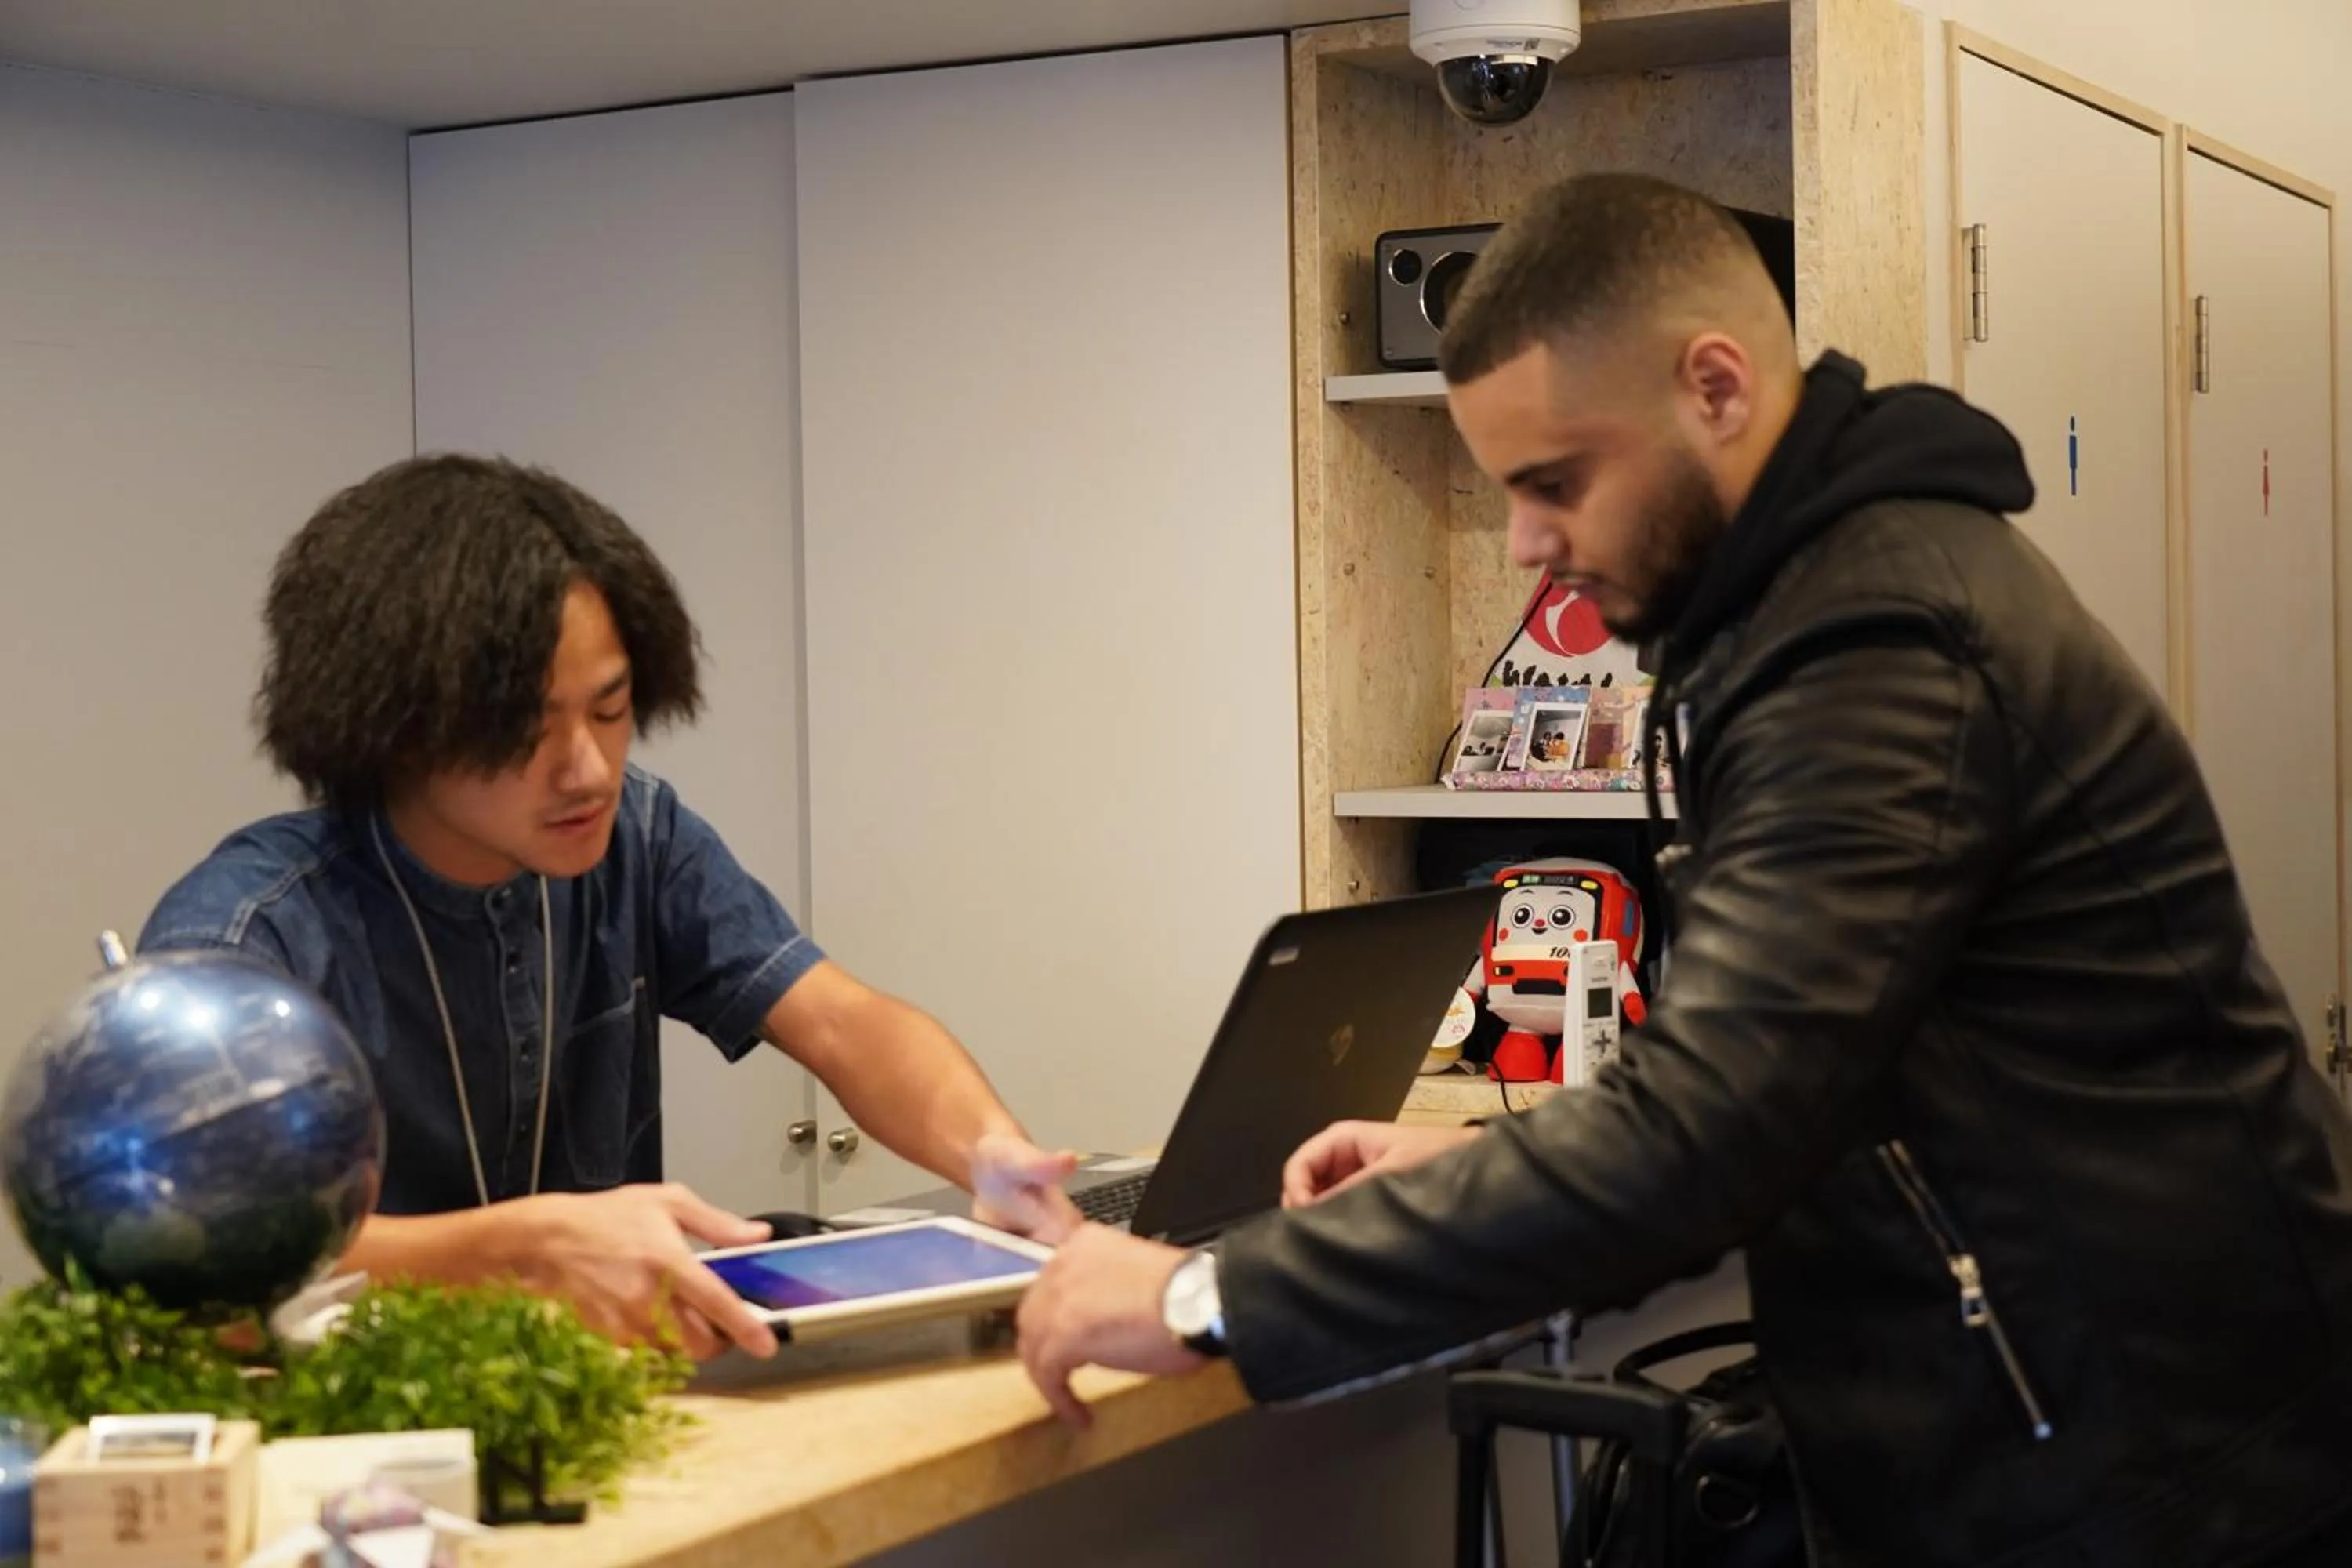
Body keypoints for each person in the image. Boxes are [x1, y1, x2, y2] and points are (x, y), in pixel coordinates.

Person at [1014, 172, 2352, 1566]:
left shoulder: (1878, 644)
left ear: (1715, 385)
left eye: (1553, 482)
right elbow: (1794, 1072)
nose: (1531, 543)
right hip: (2083, 1445)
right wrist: (1468, 1173)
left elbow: (1713, 1129)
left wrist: (1204, 1295)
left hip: (2163, 1474)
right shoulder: (1799, 617)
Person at [140, 455, 1080, 1363]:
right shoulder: (248, 941)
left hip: (602, 1401)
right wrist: (524, 1247)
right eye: (524, 728)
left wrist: (991, 1152)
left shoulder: (639, 835)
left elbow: (840, 1019)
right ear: (391, 726)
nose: (588, 769)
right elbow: (203, 1274)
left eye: (610, 707)